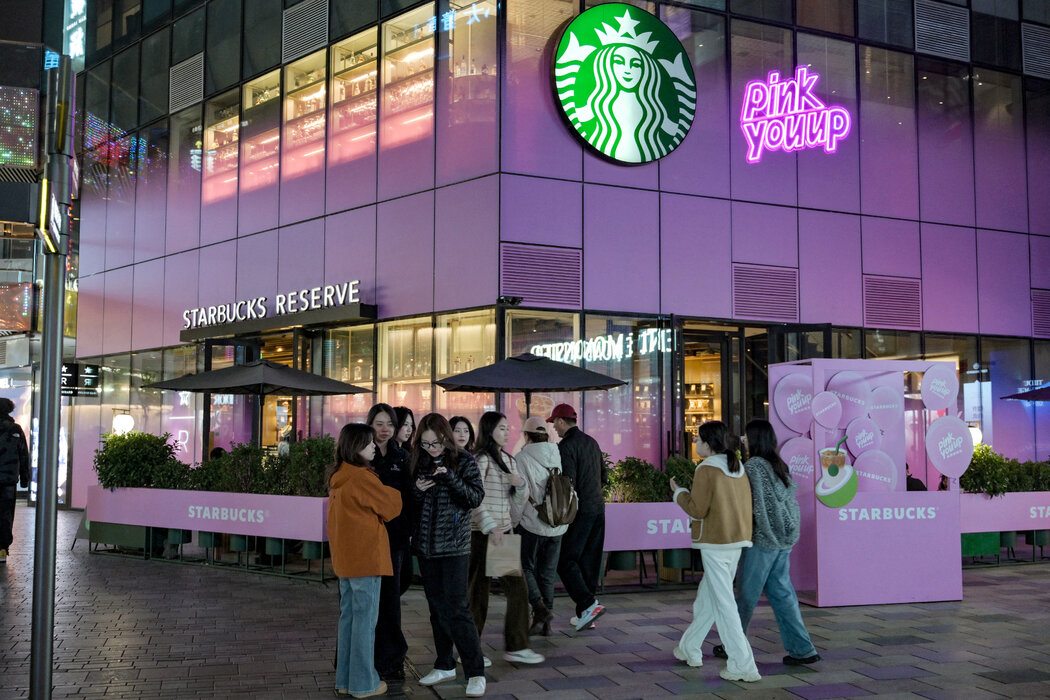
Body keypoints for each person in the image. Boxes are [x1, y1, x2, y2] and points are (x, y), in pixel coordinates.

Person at [712, 419, 820, 666]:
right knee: (783, 595)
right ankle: (803, 650)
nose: (743, 439)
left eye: (746, 436)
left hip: (764, 540)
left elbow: (757, 505)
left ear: (755, 438)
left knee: (745, 596)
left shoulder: (754, 466)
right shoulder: (777, 464)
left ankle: (733, 645)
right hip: (783, 540)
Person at [669, 420, 761, 683]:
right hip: (736, 541)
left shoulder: (706, 468)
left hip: (714, 543)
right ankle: (690, 647)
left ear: (709, 444)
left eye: (698, 440)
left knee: (722, 604)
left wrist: (679, 493)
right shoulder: (736, 466)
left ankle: (743, 665)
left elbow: (697, 509)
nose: (696, 444)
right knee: (708, 600)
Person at [410, 413, 488, 698]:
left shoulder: (464, 460)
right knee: (436, 608)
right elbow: (411, 505)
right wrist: (416, 491)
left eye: (436, 443)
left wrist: (450, 478)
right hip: (426, 548)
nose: (432, 449)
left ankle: (475, 671)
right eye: (426, 444)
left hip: (455, 547)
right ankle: (444, 664)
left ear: (446, 438)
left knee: (458, 609)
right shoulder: (418, 461)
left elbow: (474, 497)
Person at [326, 423, 403, 698]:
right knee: (365, 622)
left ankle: (346, 680)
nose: (373, 447)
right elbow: (392, 505)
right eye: (368, 442)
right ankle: (363, 683)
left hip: (346, 560)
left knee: (349, 619)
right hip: (366, 558)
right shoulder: (362, 477)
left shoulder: (339, 477)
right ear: (355, 446)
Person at [469, 412, 543, 665]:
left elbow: (517, 500)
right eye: (501, 428)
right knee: (478, 593)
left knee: (518, 589)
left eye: (508, 428)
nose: (507, 432)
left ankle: (517, 645)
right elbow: (474, 499)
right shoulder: (480, 459)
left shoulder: (509, 460)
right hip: (482, 534)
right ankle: (470, 650)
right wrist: (491, 526)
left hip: (502, 532)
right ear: (489, 430)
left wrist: (520, 484)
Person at [548, 403, 607, 631]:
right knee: (590, 560)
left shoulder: (566, 446)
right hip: (598, 508)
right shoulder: (592, 442)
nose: (554, 428)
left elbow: (567, 482)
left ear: (561, 421)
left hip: (579, 511)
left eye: (554, 423)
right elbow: (604, 476)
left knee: (566, 560)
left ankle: (588, 604)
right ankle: (586, 614)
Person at [366, 403, 412, 683]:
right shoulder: (361, 455)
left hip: (395, 537)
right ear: (370, 424)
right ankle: (363, 657)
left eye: (390, 424)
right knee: (368, 600)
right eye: (379, 423)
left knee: (391, 599)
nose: (385, 430)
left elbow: (408, 497)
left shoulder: (402, 457)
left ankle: (392, 660)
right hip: (368, 538)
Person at [515, 415, 568, 637]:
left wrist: (513, 520)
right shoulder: (556, 453)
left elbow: (521, 494)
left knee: (524, 567)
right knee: (547, 573)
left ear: (527, 436)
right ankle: (546, 623)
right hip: (557, 523)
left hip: (533, 523)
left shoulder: (521, 457)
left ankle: (540, 609)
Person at [0, 398, 30, 564]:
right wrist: (25, 479)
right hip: (8, 481)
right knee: (6, 515)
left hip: (8, 479)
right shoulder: (15, 429)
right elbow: (23, 455)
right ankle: (2, 549)